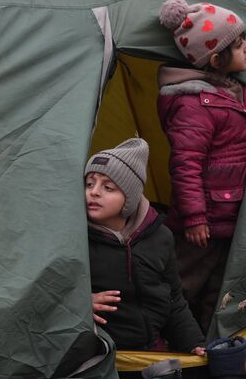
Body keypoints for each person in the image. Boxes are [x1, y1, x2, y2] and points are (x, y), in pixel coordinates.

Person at [157, 0, 246, 334]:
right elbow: (186, 164)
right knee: (185, 286)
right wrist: (194, 218)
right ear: (216, 59)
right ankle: (160, 342)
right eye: (239, 43)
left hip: (232, 215)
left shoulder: (237, 92)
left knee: (218, 292)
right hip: (202, 223)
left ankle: (206, 349)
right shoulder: (193, 105)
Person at [85, 138, 206, 356]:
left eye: (108, 187)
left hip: (151, 354)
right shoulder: (77, 239)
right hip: (101, 358)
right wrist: (78, 304)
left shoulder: (159, 237)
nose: (94, 192)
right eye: (89, 183)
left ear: (129, 198)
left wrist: (193, 343)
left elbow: (174, 300)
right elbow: (46, 292)